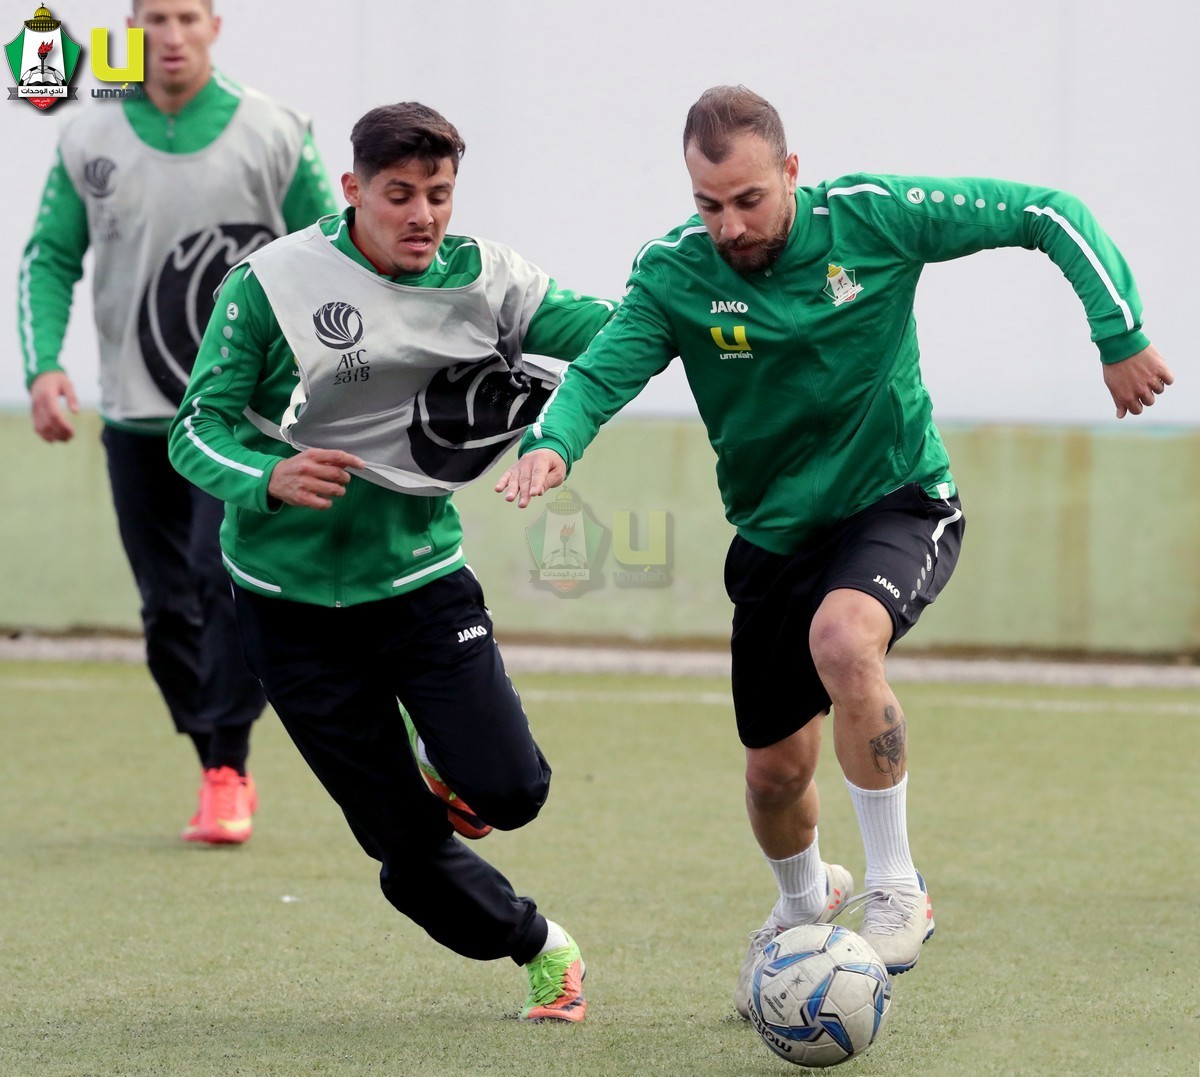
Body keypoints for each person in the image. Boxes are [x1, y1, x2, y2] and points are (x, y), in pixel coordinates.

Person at [497, 85, 1173, 1016]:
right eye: (708, 204)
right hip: (773, 537)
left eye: (748, 199)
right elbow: (605, 368)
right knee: (775, 777)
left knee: (845, 639)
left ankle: (896, 886)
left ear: (791, 172)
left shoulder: (874, 218)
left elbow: (1047, 213)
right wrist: (554, 442)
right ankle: (801, 903)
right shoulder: (676, 272)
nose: (730, 225)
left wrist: (1119, 332)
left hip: (897, 498)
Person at [167, 100, 615, 1020]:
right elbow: (194, 429)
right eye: (400, 194)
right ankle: (539, 945)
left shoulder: (488, 279)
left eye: (438, 194)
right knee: (403, 847)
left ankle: (443, 759)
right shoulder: (270, 285)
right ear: (353, 189)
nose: (423, 215)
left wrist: (712, 303)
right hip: (286, 607)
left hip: (420, 583)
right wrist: (266, 476)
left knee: (512, 791)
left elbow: (620, 331)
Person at [17, 0, 338, 844]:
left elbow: (334, 251)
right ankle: (213, 759)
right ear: (132, 29)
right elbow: (50, 257)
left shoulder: (274, 132)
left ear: (214, 27)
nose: (171, 35)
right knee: (165, 609)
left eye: (187, 17)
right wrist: (44, 364)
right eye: (154, 18)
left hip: (243, 416)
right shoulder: (87, 137)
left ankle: (228, 763)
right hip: (135, 417)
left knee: (218, 581)